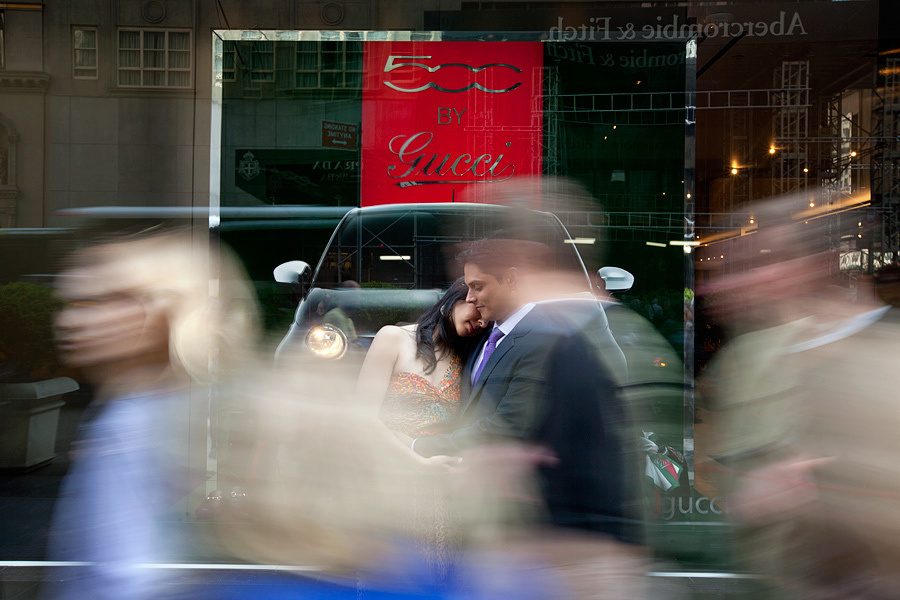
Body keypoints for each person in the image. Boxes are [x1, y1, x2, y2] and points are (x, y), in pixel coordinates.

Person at [44, 228, 259, 600]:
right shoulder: (145, 409)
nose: (68, 321)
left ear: (161, 310)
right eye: (70, 304)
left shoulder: (136, 423)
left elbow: (124, 580)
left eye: (101, 302)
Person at [357, 277, 486, 438]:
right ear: (456, 298)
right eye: (479, 308)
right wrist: (422, 462)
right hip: (387, 457)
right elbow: (363, 420)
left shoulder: (469, 360)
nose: (482, 322)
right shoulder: (393, 338)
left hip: (442, 459)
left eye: (488, 319)